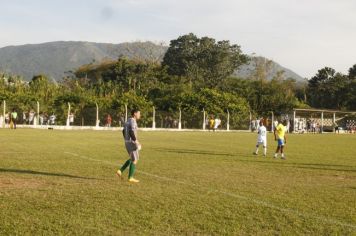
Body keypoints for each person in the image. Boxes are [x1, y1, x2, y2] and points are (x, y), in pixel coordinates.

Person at [117, 109, 142, 183]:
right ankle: (130, 177)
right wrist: (136, 141)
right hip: (131, 142)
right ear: (135, 114)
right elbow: (131, 131)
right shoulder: (133, 121)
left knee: (132, 158)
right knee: (135, 160)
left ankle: (120, 171)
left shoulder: (128, 120)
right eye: (139, 113)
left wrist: (126, 139)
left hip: (127, 142)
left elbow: (123, 131)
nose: (139, 115)